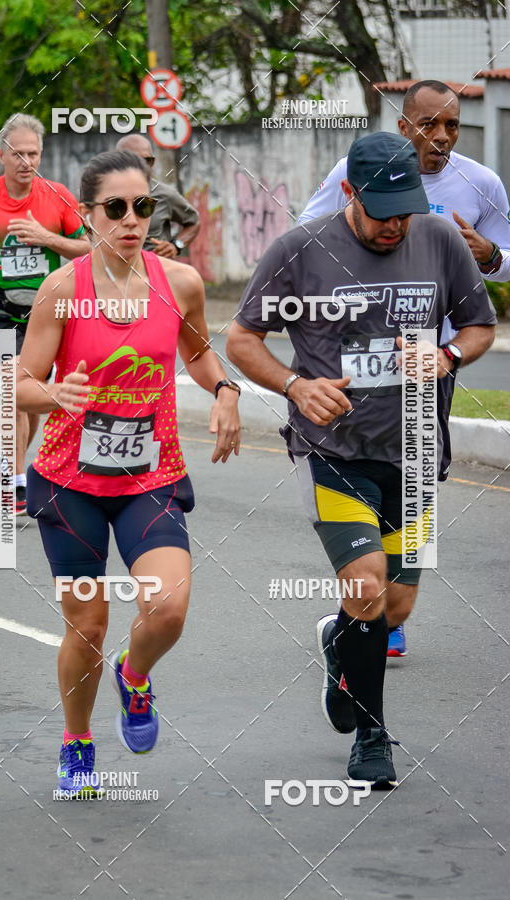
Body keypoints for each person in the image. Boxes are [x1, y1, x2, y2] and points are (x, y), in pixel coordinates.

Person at [227, 133, 495, 787]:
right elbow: (241, 337)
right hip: (335, 451)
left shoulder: (438, 239)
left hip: (417, 447)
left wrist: (448, 356)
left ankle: (339, 641)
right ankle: (372, 738)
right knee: (367, 583)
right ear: (349, 192)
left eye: (404, 210)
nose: (395, 225)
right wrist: (294, 384)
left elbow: (479, 325)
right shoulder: (300, 250)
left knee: (394, 607)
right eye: (382, 213)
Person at [16, 149, 240, 795]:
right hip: (68, 482)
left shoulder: (180, 283)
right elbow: (20, 383)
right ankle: (77, 740)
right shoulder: (63, 291)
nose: (132, 220)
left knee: (167, 609)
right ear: (87, 216)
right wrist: (56, 395)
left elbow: (199, 354)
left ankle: (135, 676)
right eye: (115, 208)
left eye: (143, 206)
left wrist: (224, 389)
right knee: (87, 626)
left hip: (151, 475)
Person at [298, 79, 510, 658]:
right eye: (427, 125)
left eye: (451, 127)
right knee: (356, 482)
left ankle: (378, 609)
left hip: (430, 367)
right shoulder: (356, 169)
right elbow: (309, 236)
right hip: (356, 364)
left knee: (409, 504)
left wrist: (486, 256)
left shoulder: (481, 185)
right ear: (403, 125)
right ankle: (363, 600)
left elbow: (504, 263)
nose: (439, 137)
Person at [0, 113, 90, 515]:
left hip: (45, 314)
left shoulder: (56, 196)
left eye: (34, 153)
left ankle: (14, 473)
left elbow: (89, 247)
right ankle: (15, 480)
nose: (27, 161)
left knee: (32, 399)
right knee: (11, 392)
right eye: (19, 154)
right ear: (2, 155)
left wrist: (47, 238)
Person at [115, 134, 200, 258]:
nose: (139, 167)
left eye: (145, 161)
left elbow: (194, 222)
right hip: (111, 273)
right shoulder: (100, 195)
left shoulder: (164, 194)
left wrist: (176, 245)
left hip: (154, 273)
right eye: (131, 160)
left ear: (152, 162)